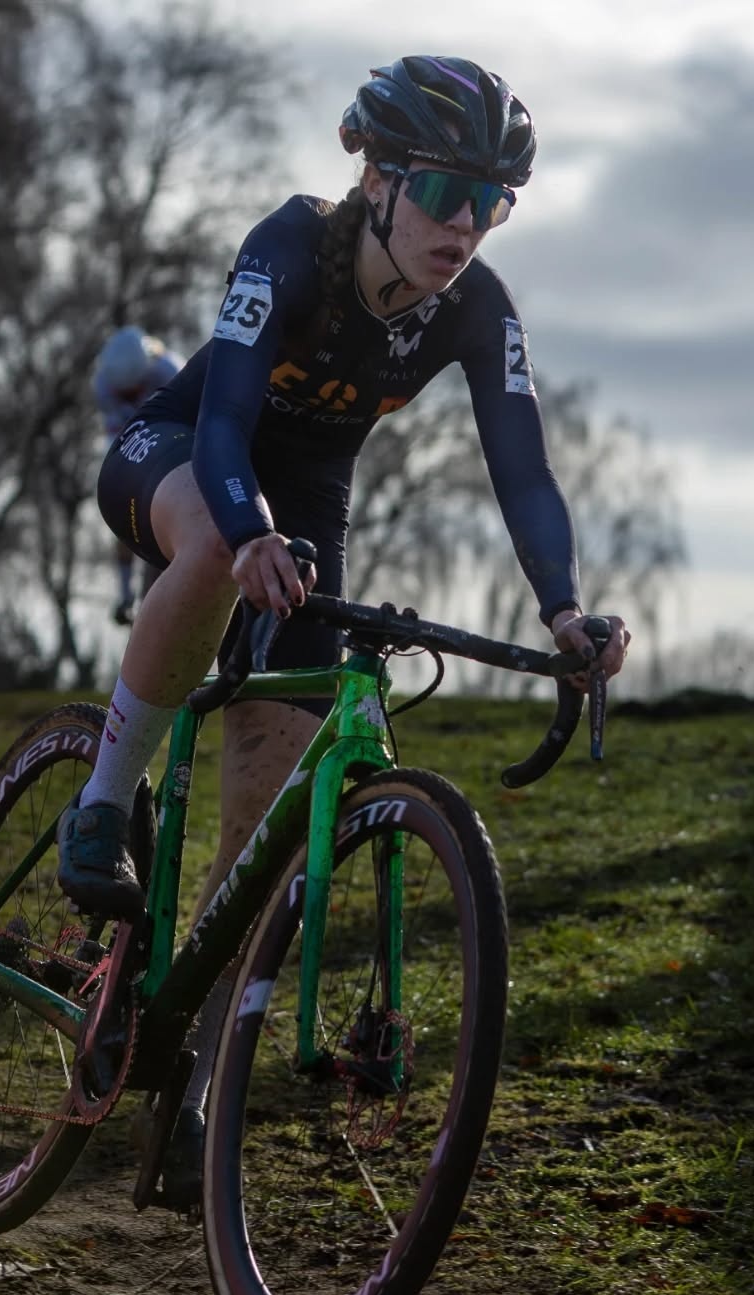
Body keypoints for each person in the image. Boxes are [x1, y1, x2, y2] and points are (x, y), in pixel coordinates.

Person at [55, 55, 632, 1207]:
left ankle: (196, 1069)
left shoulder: (476, 306)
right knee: (221, 550)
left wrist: (564, 610)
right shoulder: (291, 245)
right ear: (375, 181)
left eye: (493, 200)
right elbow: (223, 419)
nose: (465, 225)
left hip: (313, 494)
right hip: (186, 459)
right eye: (442, 192)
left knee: (266, 816)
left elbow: (523, 469)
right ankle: (103, 798)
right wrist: (243, 528)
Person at [93, 326, 181, 624]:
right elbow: (117, 441)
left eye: (132, 391)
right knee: (122, 510)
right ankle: (125, 592)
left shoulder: (170, 371)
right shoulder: (103, 383)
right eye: (124, 394)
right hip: (132, 440)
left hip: (173, 442)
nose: (128, 395)